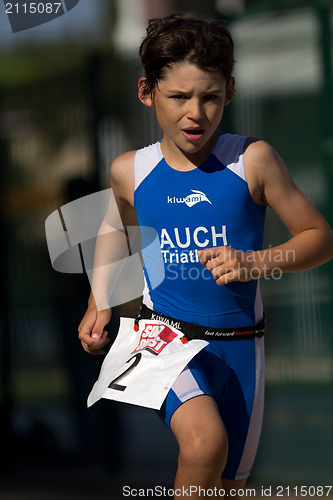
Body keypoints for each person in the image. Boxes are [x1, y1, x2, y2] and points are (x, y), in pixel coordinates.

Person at [78, 13, 333, 499]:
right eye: (178, 97)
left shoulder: (253, 160)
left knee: (228, 488)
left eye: (210, 97)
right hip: (164, 340)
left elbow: (319, 236)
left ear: (230, 92)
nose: (195, 112)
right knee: (203, 443)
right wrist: (100, 300)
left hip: (241, 347)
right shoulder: (130, 170)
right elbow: (116, 224)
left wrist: (255, 262)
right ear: (146, 92)